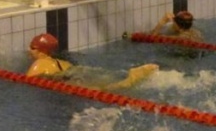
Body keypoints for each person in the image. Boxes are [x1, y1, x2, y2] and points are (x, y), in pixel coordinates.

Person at [25, 33, 159, 89]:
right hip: (73, 74)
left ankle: (130, 79)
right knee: (102, 86)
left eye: (32, 48)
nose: (29, 50)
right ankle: (131, 77)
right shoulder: (63, 62)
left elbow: (26, 84)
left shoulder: (39, 64)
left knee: (103, 90)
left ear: (41, 51)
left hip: (65, 80)